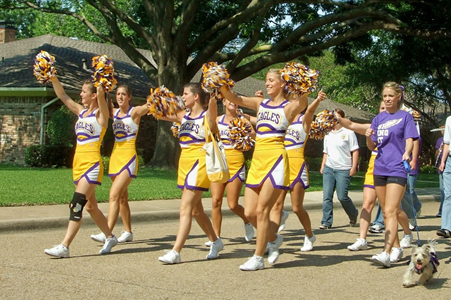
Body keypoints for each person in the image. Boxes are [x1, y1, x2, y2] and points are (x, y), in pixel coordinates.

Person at [220, 69, 308, 271]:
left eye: (271, 80)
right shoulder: (260, 104)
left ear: (282, 84)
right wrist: (220, 82)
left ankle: (258, 257)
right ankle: (274, 238)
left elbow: (303, 102)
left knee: (262, 210)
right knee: (250, 212)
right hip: (258, 160)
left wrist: (301, 82)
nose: (267, 84)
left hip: (276, 159)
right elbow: (234, 97)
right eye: (266, 80)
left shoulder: (289, 107)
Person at [44, 76, 118, 257]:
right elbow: (62, 95)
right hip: (77, 164)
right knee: (91, 207)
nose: (80, 94)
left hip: (92, 165)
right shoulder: (81, 112)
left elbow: (102, 97)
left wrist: (101, 84)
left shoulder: (102, 115)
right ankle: (110, 236)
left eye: (84, 91)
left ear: (93, 95)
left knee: (76, 204)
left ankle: (65, 246)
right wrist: (53, 77)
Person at [157, 83, 224, 264]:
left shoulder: (207, 116)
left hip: (199, 162)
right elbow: (159, 113)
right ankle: (216, 241)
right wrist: (157, 100)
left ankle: (176, 251)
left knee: (185, 207)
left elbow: (212, 106)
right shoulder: (182, 116)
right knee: (196, 210)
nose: (182, 96)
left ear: (196, 97)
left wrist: (213, 90)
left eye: (186, 93)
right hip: (184, 163)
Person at [367, 82, 419, 267]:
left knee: (389, 211)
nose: (387, 99)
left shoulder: (406, 117)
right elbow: (372, 146)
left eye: (390, 96)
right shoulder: (378, 119)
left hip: (397, 168)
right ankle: (396, 247)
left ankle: (386, 252)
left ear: (398, 97)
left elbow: (410, 139)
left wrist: (407, 153)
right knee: (391, 212)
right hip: (380, 168)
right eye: (384, 96)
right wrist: (367, 136)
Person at [268, 90, 327, 253]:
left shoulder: (304, 119)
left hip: (297, 164)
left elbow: (310, 111)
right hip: (281, 163)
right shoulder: (282, 119)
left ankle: (309, 235)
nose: (293, 101)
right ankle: (271, 241)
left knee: (296, 207)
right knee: (276, 205)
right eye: (291, 98)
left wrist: (316, 100)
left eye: (297, 98)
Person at [90, 85, 150, 244]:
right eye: (118, 94)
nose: (120, 97)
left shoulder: (134, 111)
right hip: (115, 156)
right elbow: (101, 101)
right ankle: (128, 231)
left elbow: (148, 106)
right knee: (122, 197)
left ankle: (107, 232)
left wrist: (158, 98)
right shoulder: (113, 112)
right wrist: (101, 85)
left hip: (129, 157)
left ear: (129, 97)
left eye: (124, 94)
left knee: (114, 195)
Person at [207, 99, 256, 245]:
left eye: (235, 101)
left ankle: (247, 221)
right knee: (216, 201)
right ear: (224, 102)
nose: (233, 103)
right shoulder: (218, 119)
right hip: (219, 163)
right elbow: (210, 133)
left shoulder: (242, 120)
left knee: (233, 204)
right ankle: (216, 237)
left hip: (236, 162)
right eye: (230, 100)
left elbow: (253, 135)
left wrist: (242, 132)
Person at [319, 109, 359, 229]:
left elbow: (355, 150)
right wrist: (323, 165)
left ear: (342, 118)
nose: (334, 119)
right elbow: (325, 152)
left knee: (342, 196)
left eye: (336, 116)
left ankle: (353, 214)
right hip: (329, 168)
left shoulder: (348, 132)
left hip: (343, 168)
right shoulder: (327, 133)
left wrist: (354, 166)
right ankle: (326, 222)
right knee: (327, 196)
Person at [438, 118, 451, 238]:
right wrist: (443, 161)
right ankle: (446, 227)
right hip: (450, 160)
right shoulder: (449, 120)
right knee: (448, 194)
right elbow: (446, 142)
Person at [435, 127, 445, 217]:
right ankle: (442, 210)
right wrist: (439, 151)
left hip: (447, 166)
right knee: (442, 190)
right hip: (441, 168)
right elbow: (436, 153)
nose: (443, 132)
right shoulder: (439, 140)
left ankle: (443, 211)